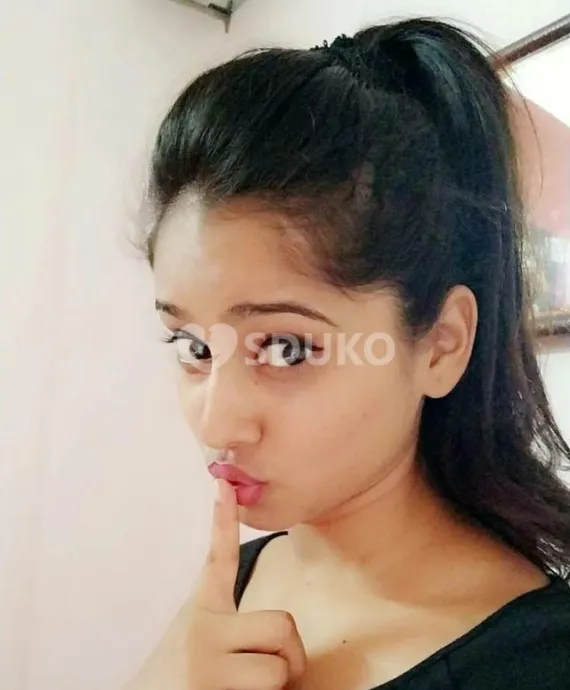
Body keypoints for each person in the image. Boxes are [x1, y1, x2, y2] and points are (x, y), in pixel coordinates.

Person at [125, 17, 570, 690]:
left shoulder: (539, 662)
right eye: (193, 346)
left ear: (441, 344)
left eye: (284, 347)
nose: (217, 424)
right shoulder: (241, 583)